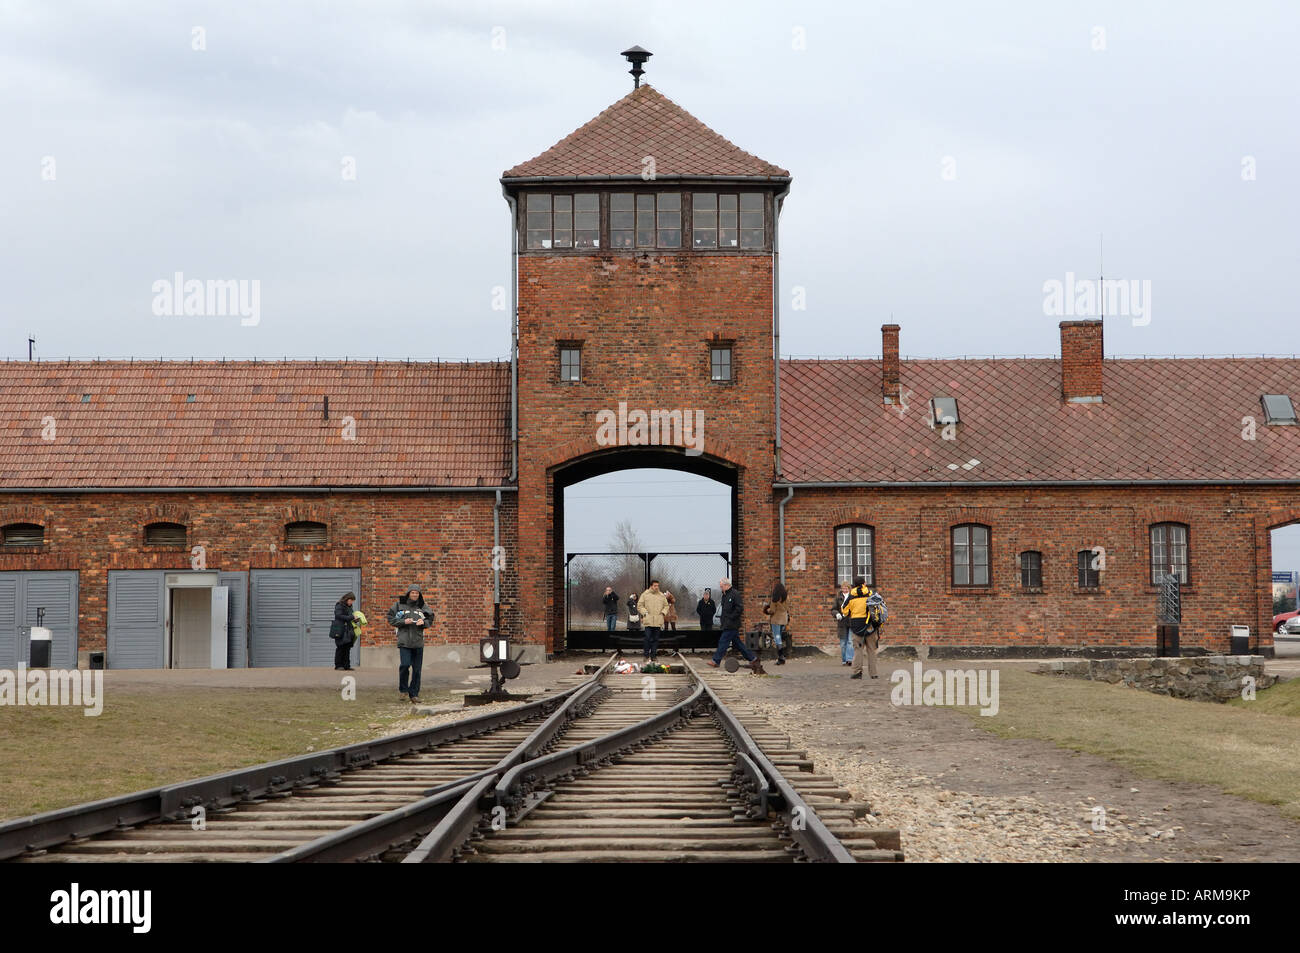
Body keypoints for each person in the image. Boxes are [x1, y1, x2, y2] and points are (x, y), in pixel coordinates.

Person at [386, 584, 433, 703]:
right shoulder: (399, 605)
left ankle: (414, 694)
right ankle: (403, 690)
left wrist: (423, 622)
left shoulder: (422, 605)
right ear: (408, 593)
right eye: (412, 593)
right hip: (404, 641)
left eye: (417, 593)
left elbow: (430, 618)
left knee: (417, 670)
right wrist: (403, 621)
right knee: (405, 665)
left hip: (418, 642)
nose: (414, 595)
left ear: (419, 595)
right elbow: (390, 618)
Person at [708, 577, 756, 668]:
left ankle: (716, 660)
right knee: (738, 644)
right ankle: (752, 658)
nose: (721, 588)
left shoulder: (735, 594)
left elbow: (739, 608)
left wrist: (730, 618)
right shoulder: (725, 595)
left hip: (732, 624)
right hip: (727, 623)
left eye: (721, 586)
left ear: (726, 585)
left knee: (723, 641)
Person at [841, 576, 880, 680]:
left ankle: (857, 672)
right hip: (870, 625)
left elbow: (844, 611)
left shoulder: (851, 596)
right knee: (871, 649)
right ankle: (874, 673)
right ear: (864, 583)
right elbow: (877, 607)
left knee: (858, 649)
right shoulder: (870, 593)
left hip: (856, 625)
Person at [637, 580, 670, 662]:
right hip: (648, 621)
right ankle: (646, 655)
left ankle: (653, 656)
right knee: (647, 638)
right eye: (655, 585)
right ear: (651, 586)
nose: (657, 587)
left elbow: (666, 606)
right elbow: (639, 605)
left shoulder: (661, 595)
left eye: (658, 585)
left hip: (658, 621)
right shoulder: (645, 594)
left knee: (655, 639)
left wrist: (663, 613)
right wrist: (645, 613)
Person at [762, 582, 790, 665]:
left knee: (777, 638)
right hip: (783, 620)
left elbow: (772, 611)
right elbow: (787, 608)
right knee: (779, 637)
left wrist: (766, 610)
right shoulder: (787, 598)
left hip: (776, 621)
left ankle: (781, 657)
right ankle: (781, 657)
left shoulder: (775, 599)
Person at [330, 592, 357, 671]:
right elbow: (338, 615)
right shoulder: (339, 605)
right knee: (340, 647)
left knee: (347, 648)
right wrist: (351, 617)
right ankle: (338, 665)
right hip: (340, 629)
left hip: (348, 629)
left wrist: (355, 619)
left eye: (352, 601)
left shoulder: (349, 607)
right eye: (351, 600)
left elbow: (350, 617)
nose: (351, 602)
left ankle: (346, 666)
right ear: (347, 599)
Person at [833, 581, 854, 666]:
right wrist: (837, 614)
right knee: (843, 643)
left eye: (846, 588)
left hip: (851, 621)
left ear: (849, 588)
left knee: (850, 641)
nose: (844, 590)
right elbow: (833, 609)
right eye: (843, 588)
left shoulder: (852, 597)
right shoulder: (838, 598)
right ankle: (844, 660)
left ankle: (850, 659)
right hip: (842, 622)